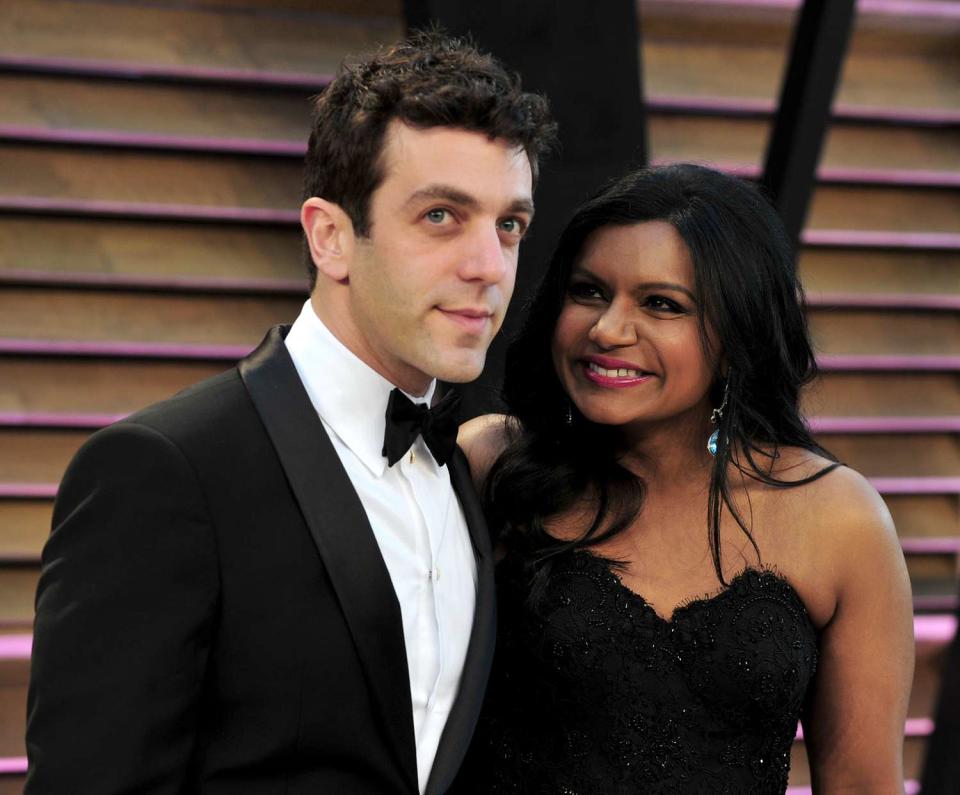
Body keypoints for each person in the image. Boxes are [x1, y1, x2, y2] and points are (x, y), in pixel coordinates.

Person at [26, 31, 555, 794]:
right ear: (330, 236)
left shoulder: (468, 470)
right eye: (442, 216)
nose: (489, 266)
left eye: (509, 224)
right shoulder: (163, 470)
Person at [453, 164, 915, 793]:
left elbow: (864, 785)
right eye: (588, 291)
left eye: (662, 304)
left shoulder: (840, 519)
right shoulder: (490, 463)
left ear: (736, 335)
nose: (607, 330)